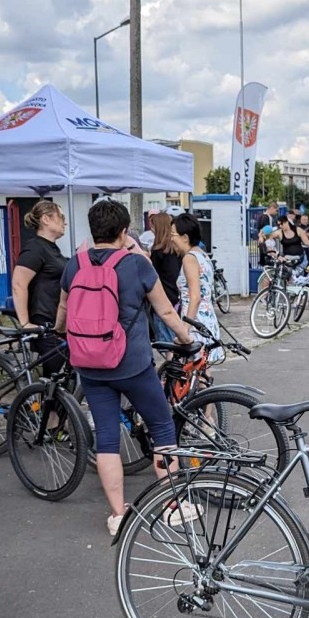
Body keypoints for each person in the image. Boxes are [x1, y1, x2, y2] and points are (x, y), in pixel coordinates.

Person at [54, 199, 193, 540]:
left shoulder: (75, 264)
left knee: (106, 439)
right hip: (131, 363)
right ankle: (172, 506)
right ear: (122, 231)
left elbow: (62, 310)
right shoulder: (136, 265)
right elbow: (166, 312)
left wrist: (62, 331)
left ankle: (118, 514)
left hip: (89, 363)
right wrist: (188, 338)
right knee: (162, 426)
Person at [12, 200, 69, 373]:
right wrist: (25, 323)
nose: (64, 222)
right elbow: (18, 283)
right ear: (46, 219)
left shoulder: (52, 249)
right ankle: (45, 401)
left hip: (58, 320)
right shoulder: (35, 248)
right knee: (53, 378)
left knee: (63, 376)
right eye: (61, 216)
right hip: (44, 321)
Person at [172, 212, 223, 361]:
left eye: (173, 234)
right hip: (207, 320)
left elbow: (195, 297)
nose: (170, 238)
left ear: (185, 237)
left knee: (194, 373)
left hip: (195, 321)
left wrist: (185, 330)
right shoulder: (202, 254)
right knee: (202, 374)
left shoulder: (189, 258)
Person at [147, 212, 183, 342]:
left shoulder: (157, 252)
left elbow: (152, 276)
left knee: (165, 342)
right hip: (176, 299)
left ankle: (172, 362)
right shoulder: (177, 251)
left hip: (162, 300)